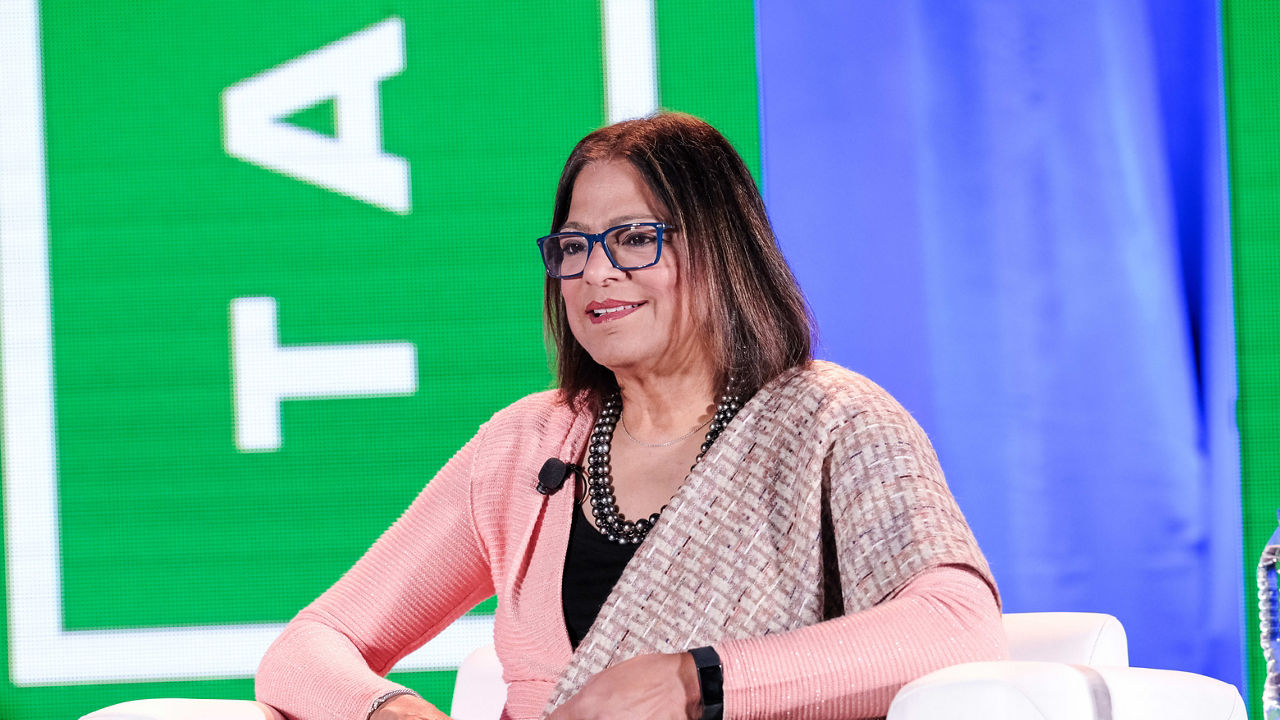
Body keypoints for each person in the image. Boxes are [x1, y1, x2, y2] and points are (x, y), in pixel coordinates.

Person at [255, 113, 1007, 720]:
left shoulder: (833, 422)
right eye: (574, 247)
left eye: (636, 239)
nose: (596, 272)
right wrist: (390, 713)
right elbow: (308, 647)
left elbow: (955, 626)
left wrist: (697, 681)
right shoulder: (526, 445)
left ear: (723, 249)